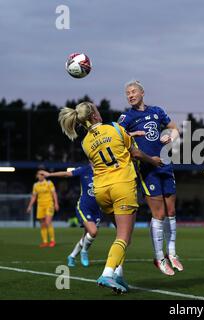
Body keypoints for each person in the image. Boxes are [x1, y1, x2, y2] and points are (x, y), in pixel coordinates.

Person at [58, 101, 162, 294]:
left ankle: (119, 275)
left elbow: (96, 162)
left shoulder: (85, 142)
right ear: (95, 116)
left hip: (101, 191)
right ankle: (107, 273)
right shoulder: (114, 127)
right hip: (122, 186)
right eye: (97, 109)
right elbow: (135, 153)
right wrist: (153, 160)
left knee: (122, 236)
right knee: (124, 237)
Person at [118, 80, 182, 276]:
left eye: (133, 91)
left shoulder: (157, 111)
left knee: (171, 211)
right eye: (127, 93)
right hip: (147, 168)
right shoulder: (127, 116)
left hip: (165, 164)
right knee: (159, 214)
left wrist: (170, 137)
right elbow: (117, 137)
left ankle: (172, 253)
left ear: (142, 93)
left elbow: (175, 129)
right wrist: (132, 133)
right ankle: (158, 257)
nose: (130, 95)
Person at [39, 165, 101, 267]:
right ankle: (84, 251)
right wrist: (50, 174)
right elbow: (67, 174)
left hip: (98, 209)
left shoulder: (106, 169)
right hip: (84, 207)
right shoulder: (84, 169)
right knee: (93, 232)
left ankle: (71, 256)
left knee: (86, 236)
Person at [26, 170, 59, 247]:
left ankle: (52, 241)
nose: (40, 175)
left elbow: (54, 193)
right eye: (39, 174)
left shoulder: (49, 183)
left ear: (44, 175)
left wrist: (56, 203)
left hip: (49, 204)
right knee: (42, 224)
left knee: (48, 222)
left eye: (42, 174)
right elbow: (34, 197)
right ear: (37, 176)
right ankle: (44, 241)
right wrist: (30, 206)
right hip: (40, 206)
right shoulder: (35, 185)